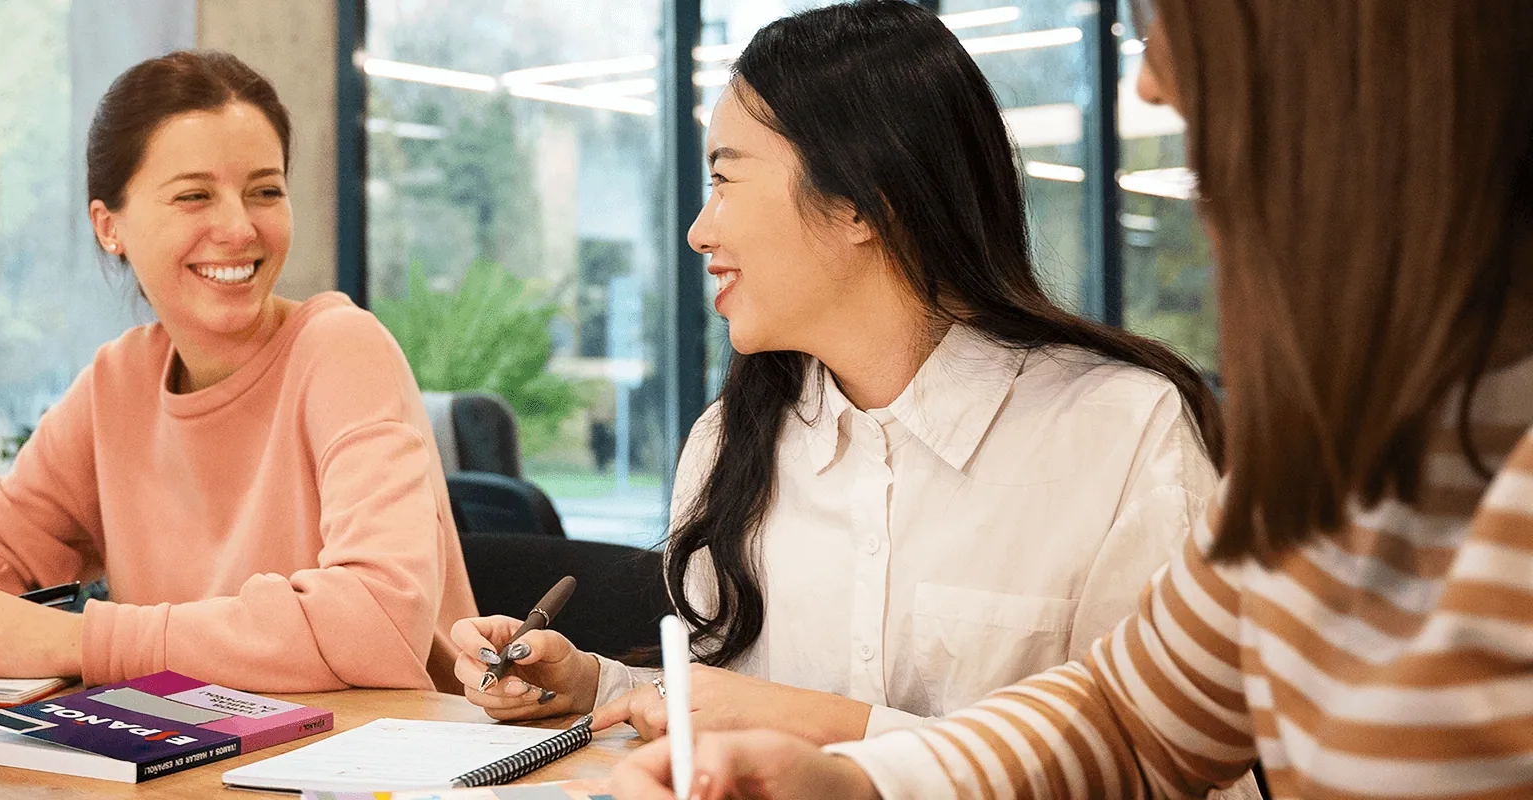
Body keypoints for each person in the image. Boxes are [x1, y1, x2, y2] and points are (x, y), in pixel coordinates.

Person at [610, 0, 1533, 796]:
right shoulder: (1356, 453)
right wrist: (857, 781)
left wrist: (849, 740)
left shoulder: (1125, 427)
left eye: (1174, 25)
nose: (1151, 86)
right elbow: (1133, 721)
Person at [449, 0, 1225, 749]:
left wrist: (828, 729)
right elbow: (723, 706)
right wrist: (591, 686)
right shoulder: (729, 442)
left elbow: (1167, 765)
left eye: (724, 179)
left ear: (861, 201)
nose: (698, 230)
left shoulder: (1122, 433)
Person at [0, 50, 478, 693]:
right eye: (194, 196)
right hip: (189, 766)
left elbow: (377, 620)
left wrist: (81, 640)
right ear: (110, 226)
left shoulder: (343, 350)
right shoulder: (118, 383)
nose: (240, 228)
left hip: (364, 773)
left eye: (265, 191)